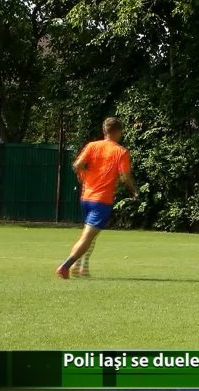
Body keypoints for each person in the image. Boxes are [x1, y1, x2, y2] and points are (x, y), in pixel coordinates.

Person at [55, 117, 138, 279]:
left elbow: (77, 165)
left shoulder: (92, 146)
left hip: (86, 197)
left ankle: (81, 268)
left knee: (91, 235)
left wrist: (83, 177)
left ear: (104, 130)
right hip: (102, 200)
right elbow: (125, 176)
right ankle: (66, 266)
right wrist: (134, 190)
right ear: (117, 132)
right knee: (87, 237)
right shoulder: (121, 152)